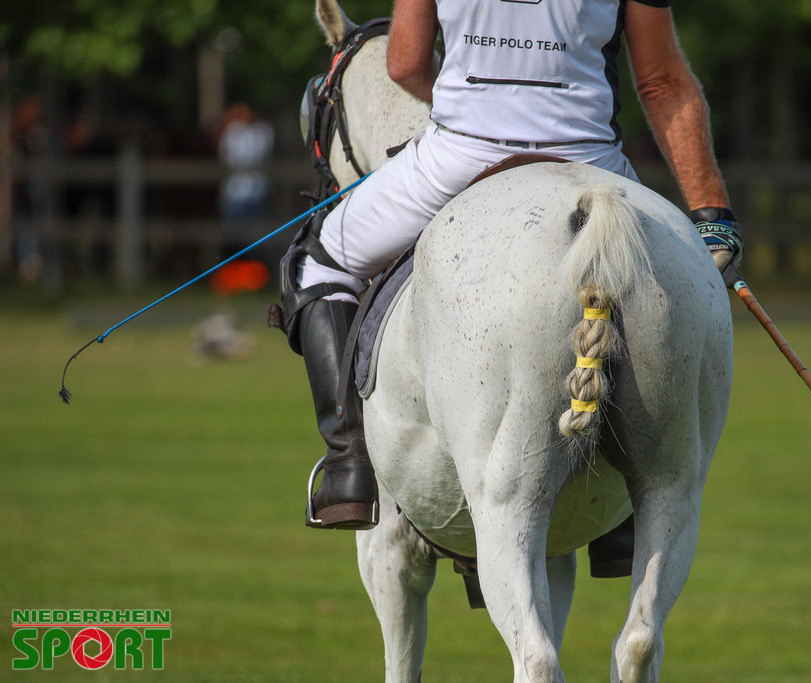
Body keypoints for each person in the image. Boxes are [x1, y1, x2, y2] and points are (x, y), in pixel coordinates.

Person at [287, 0, 743, 533]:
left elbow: (405, 64)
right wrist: (711, 214)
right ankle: (618, 520)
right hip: (588, 159)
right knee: (646, 275)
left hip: (457, 157)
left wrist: (481, 112)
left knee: (318, 263)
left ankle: (349, 463)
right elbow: (662, 83)